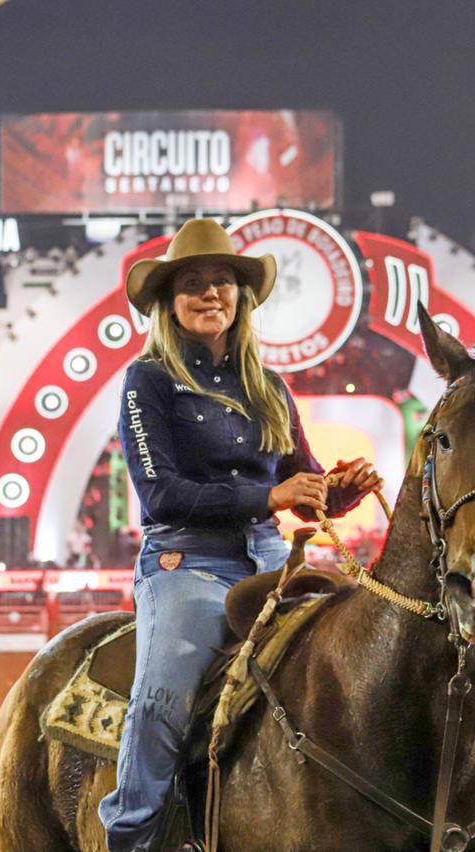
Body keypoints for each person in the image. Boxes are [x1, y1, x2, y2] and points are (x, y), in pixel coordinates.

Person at [98, 218, 382, 851]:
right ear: (169, 303)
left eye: (222, 281)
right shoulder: (148, 380)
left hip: (272, 559)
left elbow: (303, 483)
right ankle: (132, 834)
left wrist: (342, 489)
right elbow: (160, 495)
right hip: (185, 563)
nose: (210, 294)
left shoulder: (268, 388)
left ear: (240, 297)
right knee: (162, 698)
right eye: (193, 284)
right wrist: (268, 497)